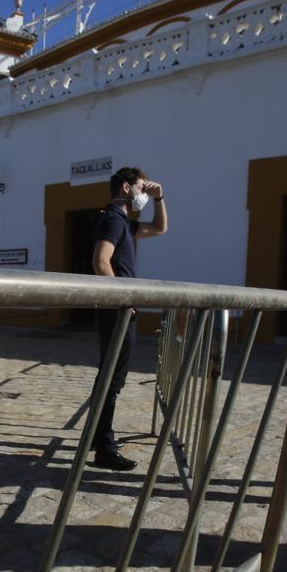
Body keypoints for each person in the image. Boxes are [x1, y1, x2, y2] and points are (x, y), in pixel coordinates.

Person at [90, 167, 167, 471]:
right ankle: (104, 448)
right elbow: (100, 261)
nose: (144, 194)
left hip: (120, 309)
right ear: (126, 187)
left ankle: (98, 437)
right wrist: (122, 300)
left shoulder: (123, 221)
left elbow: (160, 228)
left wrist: (159, 198)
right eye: (142, 188)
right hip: (118, 311)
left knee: (109, 377)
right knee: (112, 380)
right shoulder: (113, 219)